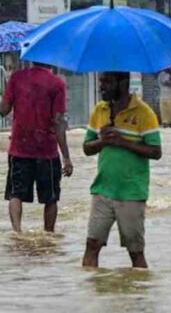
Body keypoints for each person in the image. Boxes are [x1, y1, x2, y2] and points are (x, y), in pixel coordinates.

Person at [82, 72, 162, 269]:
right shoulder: (100, 110)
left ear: (123, 83)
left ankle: (138, 296)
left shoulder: (144, 113)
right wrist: (103, 141)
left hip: (131, 193)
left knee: (135, 252)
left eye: (107, 82)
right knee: (92, 245)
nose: (102, 86)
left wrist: (123, 142)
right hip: (102, 190)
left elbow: (156, 151)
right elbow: (86, 147)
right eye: (101, 82)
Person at [1, 63, 72, 233]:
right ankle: (49, 236)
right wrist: (66, 157)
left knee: (15, 194)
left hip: (19, 148)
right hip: (47, 151)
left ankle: (17, 234)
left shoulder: (16, 78)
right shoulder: (57, 83)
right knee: (51, 198)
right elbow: (58, 122)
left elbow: (3, 110)